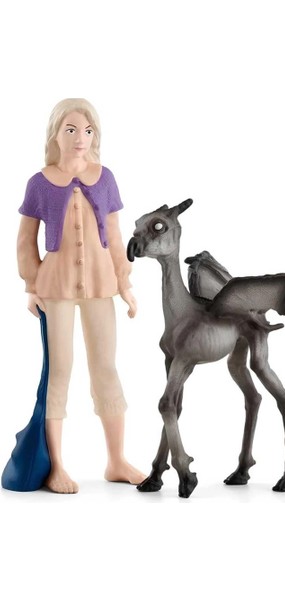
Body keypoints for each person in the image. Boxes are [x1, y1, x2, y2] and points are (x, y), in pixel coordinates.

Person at [17, 98, 146, 493]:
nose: (80, 138)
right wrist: (31, 285)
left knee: (105, 368)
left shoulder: (104, 178)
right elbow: (25, 240)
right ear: (56, 134)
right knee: (59, 371)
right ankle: (56, 466)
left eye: (87, 130)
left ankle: (116, 460)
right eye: (71, 129)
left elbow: (115, 236)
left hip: (101, 285)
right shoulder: (40, 183)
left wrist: (124, 283)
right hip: (55, 288)